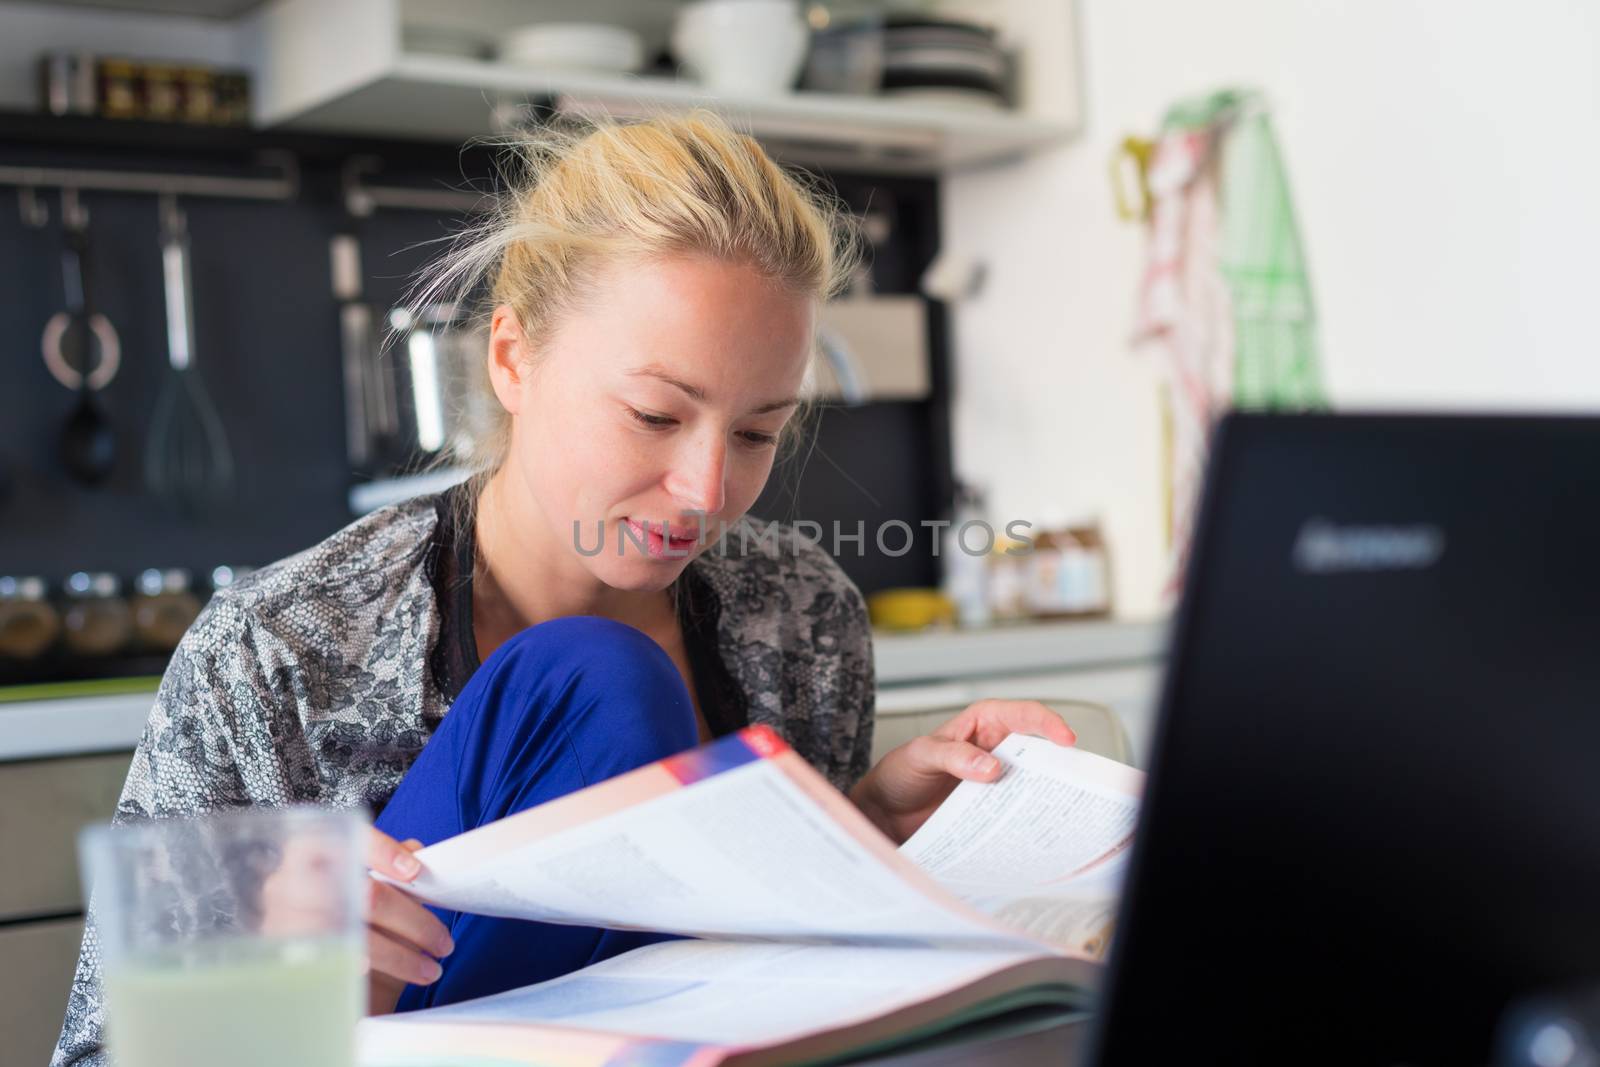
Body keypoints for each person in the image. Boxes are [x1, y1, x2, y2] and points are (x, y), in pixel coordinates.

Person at [52, 110, 1076, 1065]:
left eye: (759, 430)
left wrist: (866, 830)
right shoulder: (279, 648)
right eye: (652, 414)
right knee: (591, 678)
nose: (707, 488)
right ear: (512, 355)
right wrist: (274, 976)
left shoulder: (799, 616)